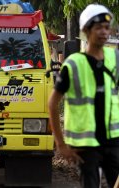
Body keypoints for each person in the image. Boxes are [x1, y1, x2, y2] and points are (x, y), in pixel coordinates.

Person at [48, 4, 119, 188]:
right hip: (85, 145)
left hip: (114, 141)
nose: (104, 32)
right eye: (98, 28)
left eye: (106, 27)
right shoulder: (73, 64)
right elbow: (52, 104)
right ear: (86, 31)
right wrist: (61, 145)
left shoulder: (115, 58)